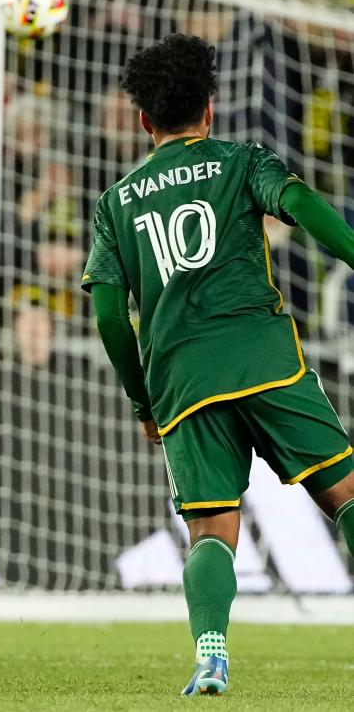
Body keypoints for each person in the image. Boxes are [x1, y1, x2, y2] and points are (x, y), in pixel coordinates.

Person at [84, 34, 354, 697]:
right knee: (345, 496)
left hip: (182, 382)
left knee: (211, 529)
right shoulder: (242, 161)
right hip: (265, 360)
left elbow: (111, 316)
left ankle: (211, 656)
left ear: (144, 120)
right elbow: (302, 206)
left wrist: (144, 402)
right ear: (210, 106)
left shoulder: (116, 203)